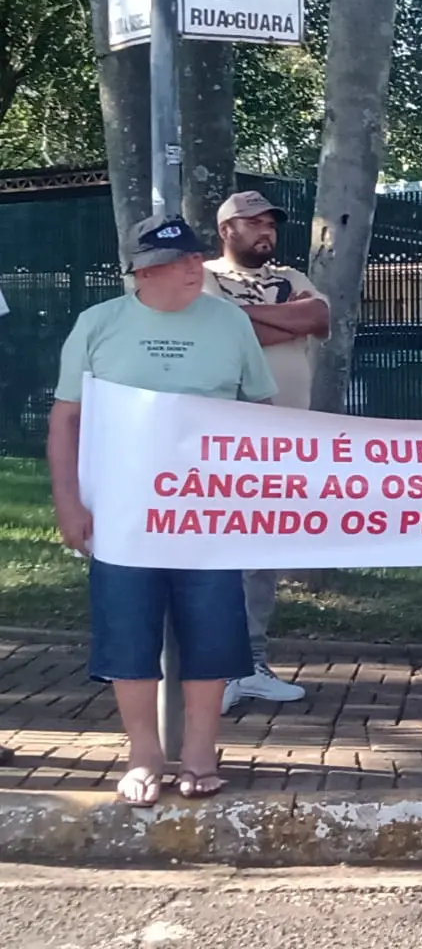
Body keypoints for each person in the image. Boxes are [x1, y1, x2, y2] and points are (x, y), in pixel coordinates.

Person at [48, 215, 277, 805]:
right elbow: (65, 420)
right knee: (129, 631)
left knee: (212, 629)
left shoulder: (230, 322)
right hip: (123, 516)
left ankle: (201, 752)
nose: (195, 268)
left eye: (197, 258)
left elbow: (261, 412)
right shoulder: (98, 325)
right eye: (181, 263)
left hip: (210, 515)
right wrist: (68, 501)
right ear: (144, 272)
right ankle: (144, 755)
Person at [203, 190, 321, 714]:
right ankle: (215, 664)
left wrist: (252, 317)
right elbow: (222, 328)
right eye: (255, 223)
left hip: (285, 439)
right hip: (225, 438)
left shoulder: (295, 277)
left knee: (261, 553)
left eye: (271, 223)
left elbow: (317, 318)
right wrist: (276, 318)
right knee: (220, 550)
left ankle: (251, 662)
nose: (266, 231)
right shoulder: (203, 276)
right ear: (228, 228)